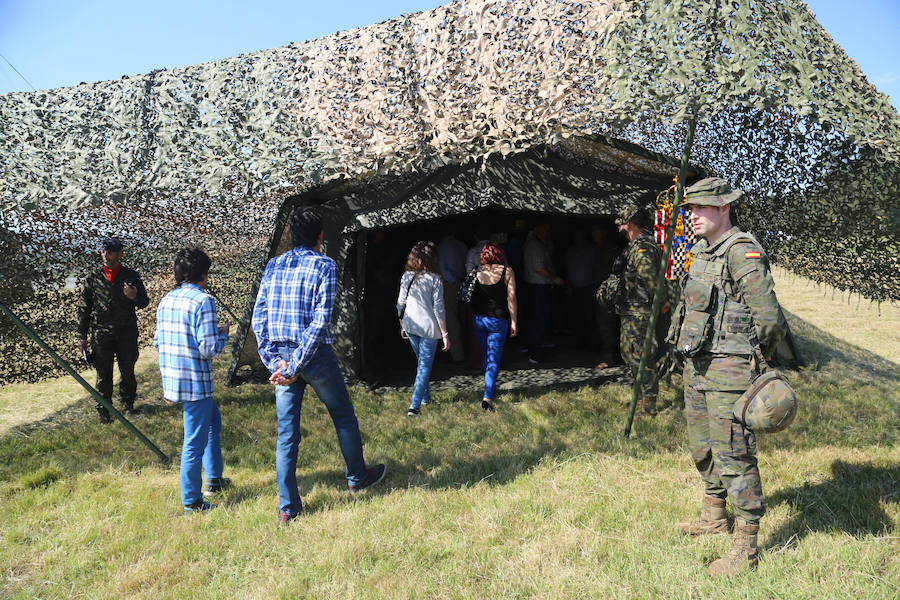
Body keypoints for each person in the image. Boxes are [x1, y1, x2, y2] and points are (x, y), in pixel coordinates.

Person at [670, 177, 787, 576]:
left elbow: (769, 319)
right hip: (697, 366)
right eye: (689, 210)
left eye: (700, 209)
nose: (692, 217)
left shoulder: (742, 251)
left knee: (733, 452)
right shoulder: (703, 251)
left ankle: (746, 548)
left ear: (723, 208)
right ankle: (714, 516)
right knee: (702, 446)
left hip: (730, 370)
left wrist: (752, 361)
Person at [252, 206, 386, 524]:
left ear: (291, 235)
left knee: (287, 435)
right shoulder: (325, 265)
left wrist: (278, 363)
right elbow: (320, 319)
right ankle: (357, 477)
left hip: (283, 358)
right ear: (320, 236)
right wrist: (295, 365)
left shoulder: (274, 265)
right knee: (342, 416)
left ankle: (288, 508)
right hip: (314, 355)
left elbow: (260, 318)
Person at [153, 248, 230, 514]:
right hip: (196, 382)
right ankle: (192, 501)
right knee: (194, 441)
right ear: (204, 274)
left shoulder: (166, 300)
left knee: (212, 423)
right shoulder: (203, 301)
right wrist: (223, 335)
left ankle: (216, 479)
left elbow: (157, 340)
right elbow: (208, 349)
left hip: (175, 377)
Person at [76, 237, 149, 423]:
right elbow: (84, 309)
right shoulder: (93, 278)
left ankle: (128, 406)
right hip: (102, 334)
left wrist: (133, 296)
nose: (105, 255)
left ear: (120, 254)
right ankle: (104, 412)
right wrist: (81, 336)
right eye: (103, 251)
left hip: (126, 332)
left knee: (128, 372)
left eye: (109, 252)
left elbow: (144, 302)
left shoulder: (130, 276)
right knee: (103, 375)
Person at [607, 203, 664, 417]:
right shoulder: (634, 247)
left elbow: (652, 282)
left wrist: (661, 304)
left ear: (628, 224)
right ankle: (641, 398)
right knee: (631, 355)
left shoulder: (643, 248)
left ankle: (648, 408)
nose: (620, 229)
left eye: (621, 224)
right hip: (631, 311)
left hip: (640, 313)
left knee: (642, 357)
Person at [398, 241, 450, 415]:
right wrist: (445, 334)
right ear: (434, 259)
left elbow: (400, 303)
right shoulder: (435, 279)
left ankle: (425, 397)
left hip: (411, 324)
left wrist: (402, 324)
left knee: (422, 364)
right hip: (429, 327)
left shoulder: (406, 276)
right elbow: (439, 308)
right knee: (424, 366)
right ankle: (415, 405)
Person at [471, 242, 518, 411]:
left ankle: (488, 386)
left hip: (478, 320)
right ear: (500, 255)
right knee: (494, 359)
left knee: (486, 356)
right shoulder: (507, 271)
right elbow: (511, 299)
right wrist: (514, 321)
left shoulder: (475, 272)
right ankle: (488, 397)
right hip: (498, 321)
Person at [522, 222, 563, 363]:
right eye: (546, 229)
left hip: (535, 287)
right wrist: (554, 278)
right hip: (538, 287)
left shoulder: (537, 244)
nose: (548, 232)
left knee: (536, 319)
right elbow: (539, 268)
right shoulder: (535, 246)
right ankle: (535, 353)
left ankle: (533, 347)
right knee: (538, 320)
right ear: (537, 229)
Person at [591, 220, 621, 368]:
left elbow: (613, 272)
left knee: (607, 325)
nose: (594, 234)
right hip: (599, 291)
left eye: (597, 230)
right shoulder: (598, 248)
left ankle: (609, 358)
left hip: (608, 293)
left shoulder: (610, 249)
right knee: (602, 324)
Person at [436, 232, 467, 363]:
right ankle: (468, 349)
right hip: (465, 283)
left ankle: (458, 355)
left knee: (452, 320)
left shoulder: (441, 248)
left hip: (450, 285)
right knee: (464, 317)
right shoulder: (462, 245)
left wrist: (453, 281)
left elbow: (443, 269)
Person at [564, 228, 595, 348]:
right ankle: (579, 341)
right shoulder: (570, 251)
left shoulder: (591, 250)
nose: (578, 239)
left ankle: (590, 343)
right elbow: (568, 269)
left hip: (588, 287)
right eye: (576, 237)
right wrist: (568, 285)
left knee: (589, 316)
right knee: (576, 316)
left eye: (580, 236)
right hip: (574, 288)